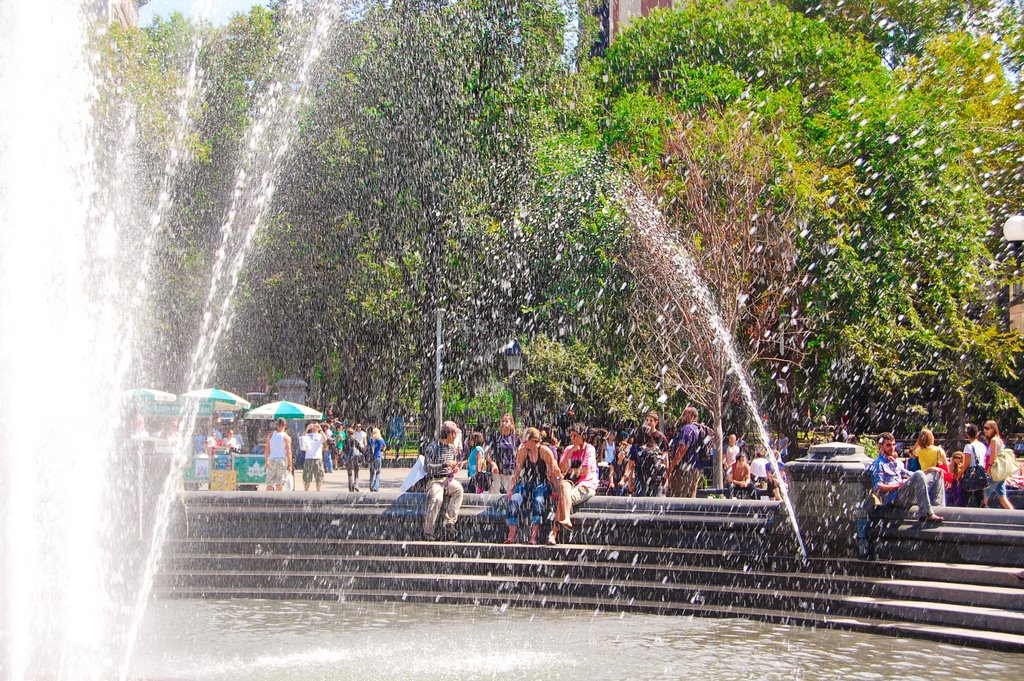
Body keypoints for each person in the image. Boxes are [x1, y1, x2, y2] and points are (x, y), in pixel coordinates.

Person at [870, 432, 944, 522]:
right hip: (895, 498)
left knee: (936, 473)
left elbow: (913, 475)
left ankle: (940, 509)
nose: (892, 448)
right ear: (880, 447)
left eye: (893, 444)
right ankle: (926, 513)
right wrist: (898, 486)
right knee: (919, 473)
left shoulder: (897, 462)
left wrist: (929, 470)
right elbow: (878, 486)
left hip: (908, 493)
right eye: (888, 445)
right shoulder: (878, 464)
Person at [505, 427, 560, 545]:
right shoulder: (523, 451)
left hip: (542, 482)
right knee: (514, 500)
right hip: (527, 481)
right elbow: (517, 471)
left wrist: (555, 489)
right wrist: (511, 489)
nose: (523, 442)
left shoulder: (545, 451)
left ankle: (533, 535)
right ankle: (512, 534)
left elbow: (552, 471)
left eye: (525, 440)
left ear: (534, 440)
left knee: (538, 500)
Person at [549, 423, 598, 545]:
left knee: (564, 499)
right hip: (571, 482)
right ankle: (566, 519)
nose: (572, 439)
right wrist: (570, 453)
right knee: (563, 485)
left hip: (586, 484)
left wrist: (573, 471)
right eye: (571, 436)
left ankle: (553, 533)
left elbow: (584, 471)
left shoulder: (589, 449)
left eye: (575, 436)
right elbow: (562, 469)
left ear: (583, 436)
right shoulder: (568, 449)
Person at [423, 422, 464, 540]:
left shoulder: (451, 448)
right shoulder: (433, 447)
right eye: (454, 433)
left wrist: (454, 468)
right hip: (435, 480)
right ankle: (428, 531)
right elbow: (427, 467)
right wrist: (444, 464)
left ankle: (449, 522)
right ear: (448, 434)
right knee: (437, 499)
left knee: (459, 490)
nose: (455, 436)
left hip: (448, 479)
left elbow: (453, 463)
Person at [667, 406, 702, 497]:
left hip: (684, 470)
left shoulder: (687, 429)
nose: (682, 417)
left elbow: (682, 449)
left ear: (692, 416)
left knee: (676, 498)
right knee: (690, 500)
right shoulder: (698, 429)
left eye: (684, 415)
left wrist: (671, 466)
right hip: (695, 469)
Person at [623, 425, 665, 497]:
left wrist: (630, 482)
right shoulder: (656, 447)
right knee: (656, 503)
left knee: (641, 503)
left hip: (641, 479)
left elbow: (631, 465)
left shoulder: (635, 448)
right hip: (655, 480)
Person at [982, 420, 1014, 510]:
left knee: (984, 496)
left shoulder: (994, 440)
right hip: (1000, 473)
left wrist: (988, 470)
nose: (985, 430)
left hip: (994, 472)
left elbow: (993, 458)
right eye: (984, 428)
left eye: (987, 428)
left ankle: (981, 518)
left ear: (993, 429)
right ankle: (1015, 516)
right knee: (1002, 498)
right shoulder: (999, 439)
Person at [911, 428, 948, 505]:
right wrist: (948, 478)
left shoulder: (918, 451)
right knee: (937, 497)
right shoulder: (938, 450)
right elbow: (946, 465)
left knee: (926, 497)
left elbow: (912, 451)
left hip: (925, 476)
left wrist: (919, 440)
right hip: (937, 475)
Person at [486, 413, 520, 495]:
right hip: (497, 470)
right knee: (496, 495)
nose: (504, 423)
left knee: (510, 494)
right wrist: (493, 463)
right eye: (502, 421)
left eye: (506, 421)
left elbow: (521, 452)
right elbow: (486, 451)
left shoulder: (515, 437)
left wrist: (518, 469)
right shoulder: (495, 435)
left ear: (511, 423)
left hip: (511, 470)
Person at [264, 418, 292, 492]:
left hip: (272, 459)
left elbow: (267, 449)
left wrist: (266, 460)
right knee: (279, 483)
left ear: (276, 425)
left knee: (270, 483)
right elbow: (288, 452)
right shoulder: (286, 437)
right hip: (281, 460)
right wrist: (290, 465)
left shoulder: (271, 435)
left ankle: (269, 500)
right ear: (285, 425)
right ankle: (278, 501)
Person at [302, 423, 326, 492]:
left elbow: (325, 439)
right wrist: (307, 429)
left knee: (319, 478)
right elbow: (302, 439)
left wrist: (320, 429)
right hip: (308, 458)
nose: (315, 428)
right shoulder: (307, 435)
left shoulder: (320, 435)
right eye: (313, 426)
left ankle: (318, 493)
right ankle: (306, 493)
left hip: (318, 458)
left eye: (316, 426)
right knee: (307, 478)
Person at [342, 427, 364, 492]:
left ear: (347, 433)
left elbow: (344, 449)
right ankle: (356, 484)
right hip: (355, 457)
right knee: (356, 472)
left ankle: (350, 488)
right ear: (353, 433)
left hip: (349, 458)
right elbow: (360, 448)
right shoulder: (355, 439)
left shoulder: (346, 440)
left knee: (350, 473)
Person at [368, 427, 386, 492]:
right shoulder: (380, 439)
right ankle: (376, 487)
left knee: (372, 472)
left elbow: (368, 447)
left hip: (372, 457)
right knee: (378, 472)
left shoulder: (371, 439)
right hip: (378, 456)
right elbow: (384, 447)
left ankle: (371, 486)